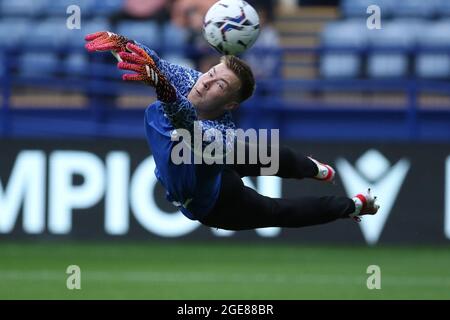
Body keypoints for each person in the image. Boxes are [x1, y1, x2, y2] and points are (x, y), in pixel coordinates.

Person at [84, 31, 379, 231]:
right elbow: (153, 63)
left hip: (216, 199)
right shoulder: (192, 80)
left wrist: (162, 87)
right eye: (211, 74)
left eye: (220, 86)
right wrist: (121, 43)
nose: (207, 83)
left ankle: (349, 205)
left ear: (231, 105)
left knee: (275, 202)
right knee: (262, 154)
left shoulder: (219, 135)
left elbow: (186, 123)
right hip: (194, 167)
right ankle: (318, 169)